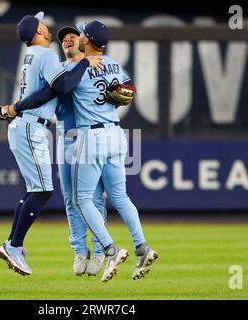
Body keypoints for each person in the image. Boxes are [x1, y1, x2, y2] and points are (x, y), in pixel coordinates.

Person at [0, 11, 103, 276]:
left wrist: (15, 107)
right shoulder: (45, 54)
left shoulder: (32, 56)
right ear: (38, 32)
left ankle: (11, 244)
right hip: (31, 126)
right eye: (41, 23)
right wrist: (86, 62)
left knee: (35, 189)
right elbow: (62, 86)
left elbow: (49, 90)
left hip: (25, 124)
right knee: (42, 191)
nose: (45, 25)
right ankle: (14, 245)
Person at [70, 21, 159, 282]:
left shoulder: (79, 66)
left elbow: (62, 86)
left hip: (92, 135)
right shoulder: (114, 64)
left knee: (81, 199)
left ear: (87, 40)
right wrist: (116, 92)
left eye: (82, 33)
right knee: (120, 196)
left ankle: (111, 249)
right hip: (116, 134)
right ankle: (142, 247)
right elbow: (129, 91)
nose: (79, 35)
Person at [56, 26, 107, 276]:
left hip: (90, 137)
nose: (67, 39)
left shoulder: (97, 66)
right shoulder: (58, 70)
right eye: (64, 38)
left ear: (83, 42)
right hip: (66, 137)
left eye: (72, 36)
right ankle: (79, 250)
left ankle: (99, 252)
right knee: (69, 197)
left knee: (94, 199)